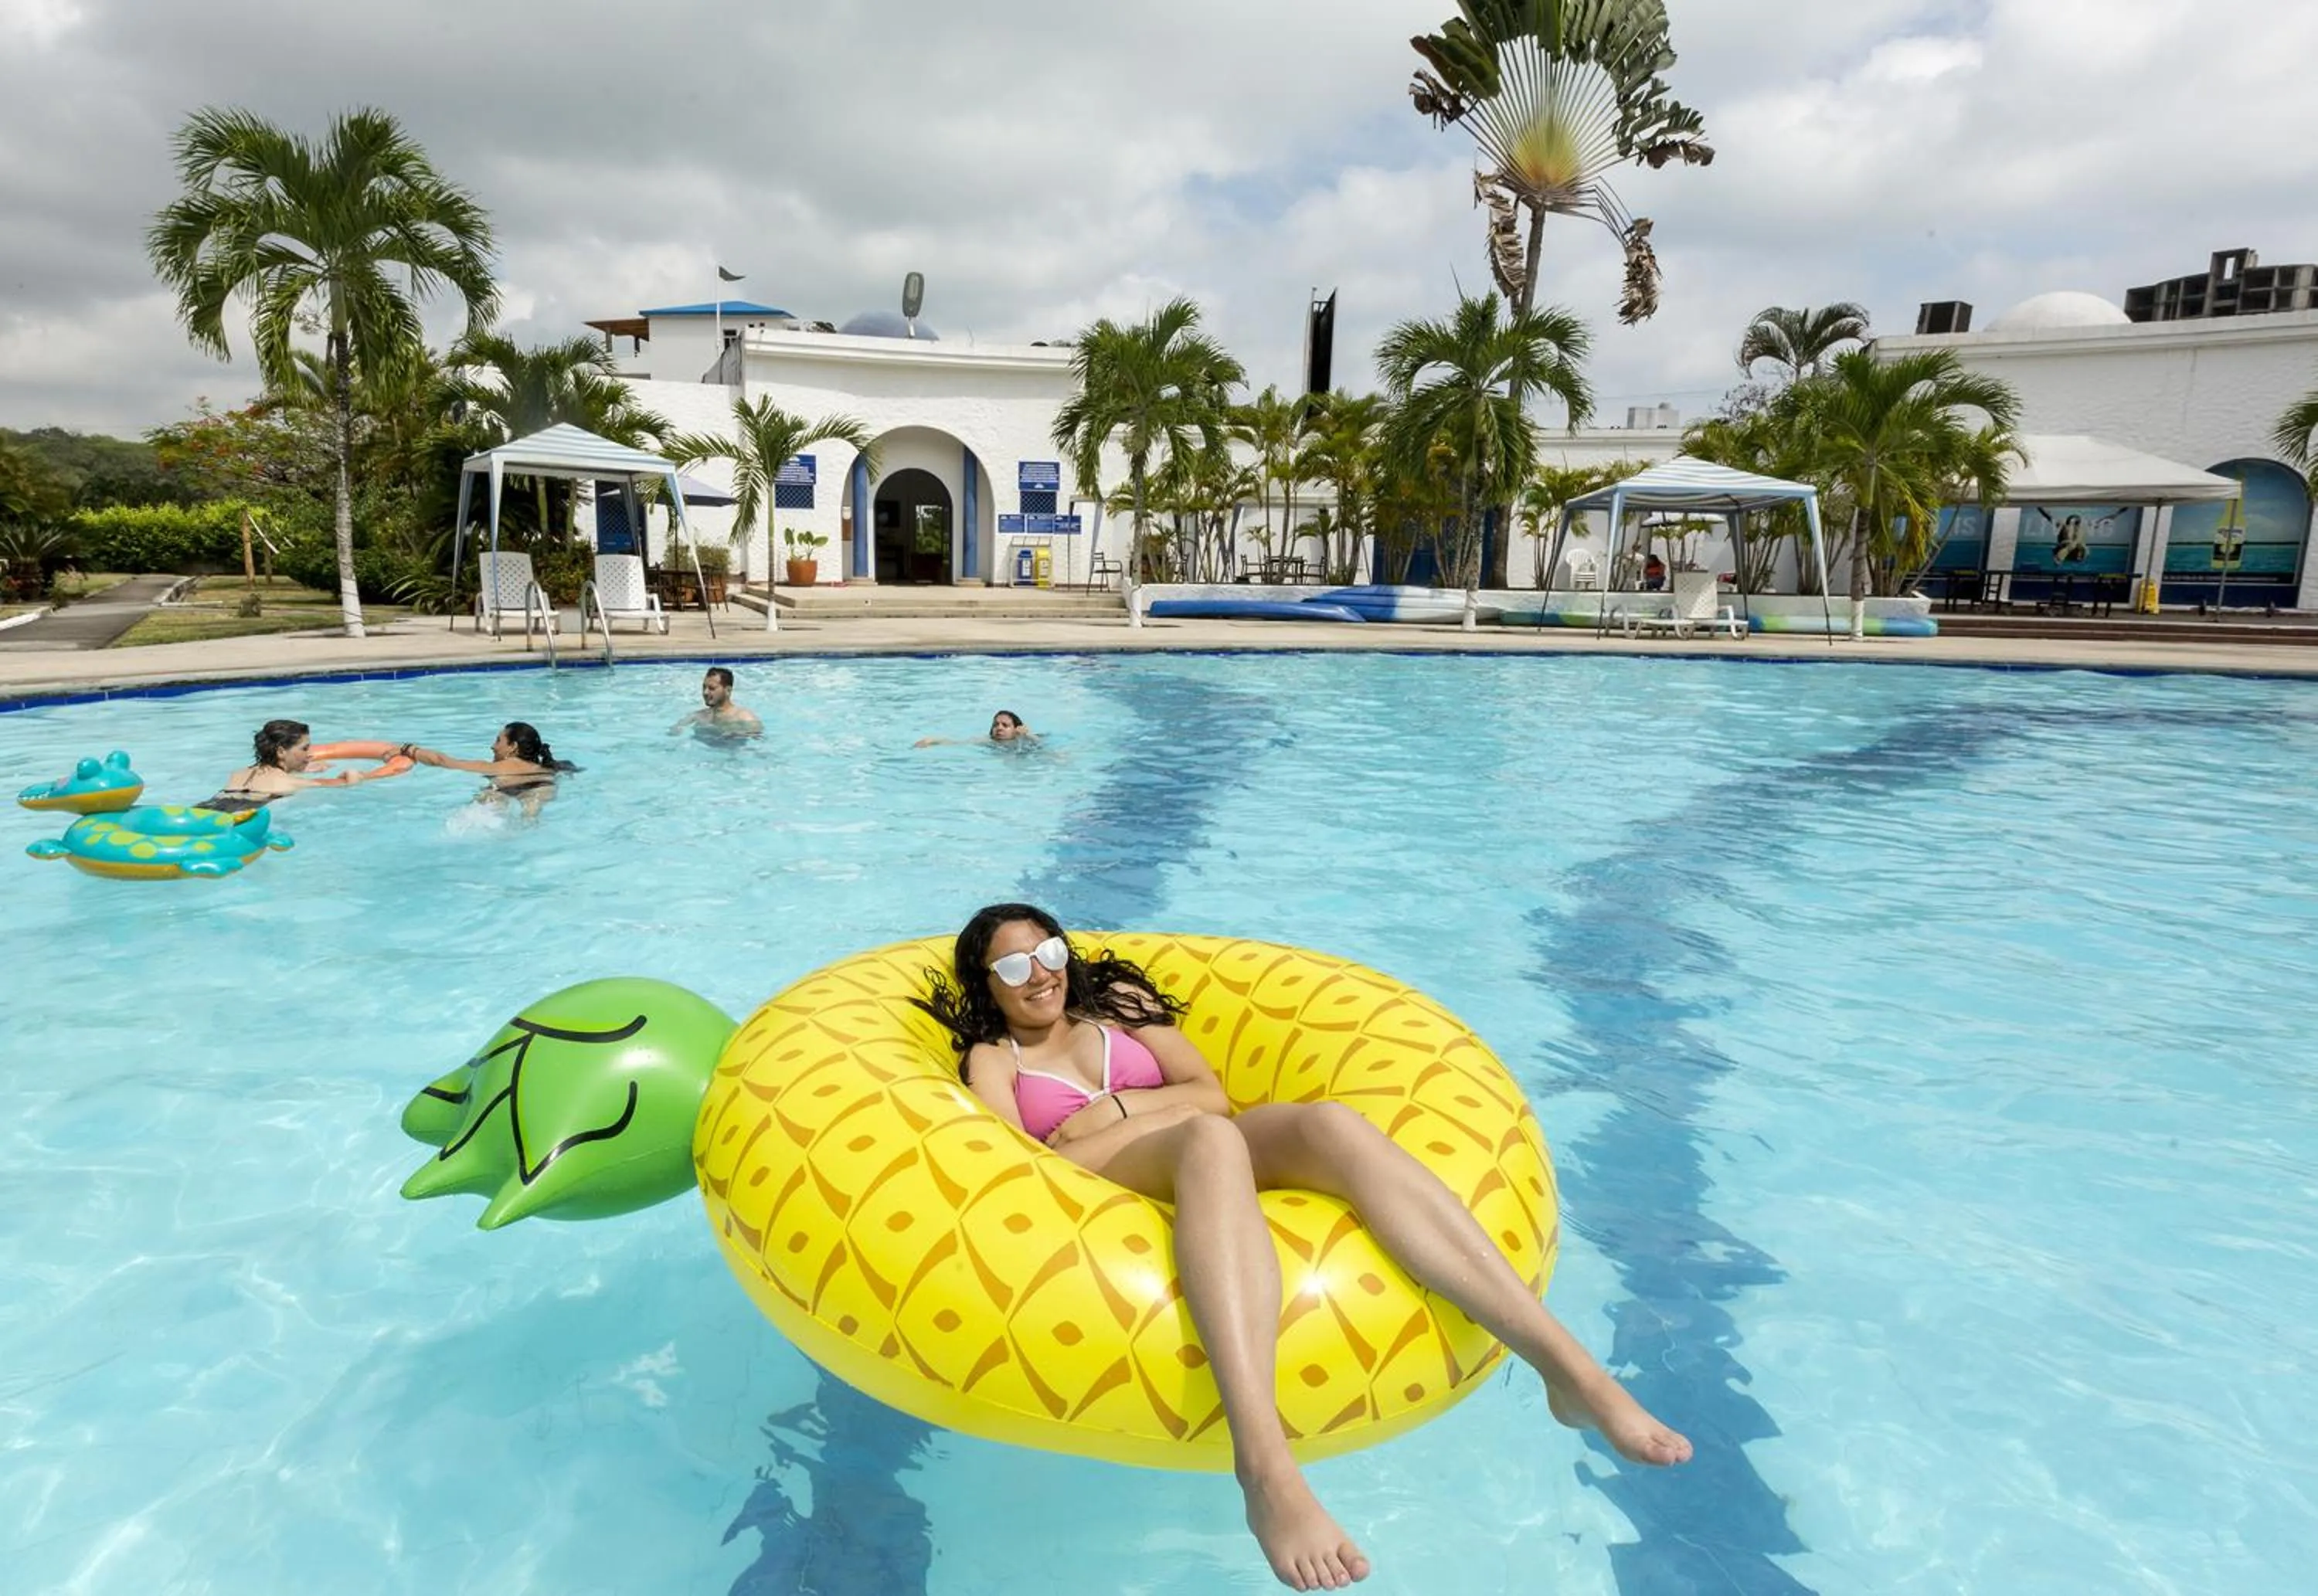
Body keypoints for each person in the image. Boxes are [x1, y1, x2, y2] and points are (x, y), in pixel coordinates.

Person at [923, 905, 1691, 1593]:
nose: (1043, 974)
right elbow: (1033, 1164)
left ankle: (1570, 1370)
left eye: (1050, 951)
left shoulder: (1117, 1008)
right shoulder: (996, 1059)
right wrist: (1137, 1126)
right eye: (1016, 966)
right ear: (988, 983)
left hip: (1193, 1142)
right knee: (1206, 1139)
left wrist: (1112, 1110)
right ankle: (1263, 1465)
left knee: (1331, 1124)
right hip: (1119, 1183)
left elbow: (1211, 1091)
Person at [202, 719, 387, 813]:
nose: (310, 754)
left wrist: (302, 768)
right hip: (238, 820)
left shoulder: (238, 774)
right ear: (281, 752)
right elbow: (347, 782)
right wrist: (355, 777)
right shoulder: (292, 784)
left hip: (207, 808)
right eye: (305, 749)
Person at [399, 722, 575, 817]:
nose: (492, 746)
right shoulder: (548, 769)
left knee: (489, 798)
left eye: (498, 741)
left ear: (513, 747)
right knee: (530, 819)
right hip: (543, 785)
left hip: (503, 789)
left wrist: (409, 749)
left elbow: (441, 761)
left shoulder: (495, 768)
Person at [671, 667, 763, 740]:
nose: (705, 692)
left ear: (728, 690)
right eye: (704, 687)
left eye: (712, 688)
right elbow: (674, 731)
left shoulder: (744, 717)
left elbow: (758, 738)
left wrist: (736, 735)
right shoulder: (698, 716)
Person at [914, 710, 1038, 749]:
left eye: (1005, 725)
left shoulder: (1025, 741)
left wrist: (1027, 735)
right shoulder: (988, 742)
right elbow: (959, 743)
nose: (999, 728)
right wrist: (932, 741)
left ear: (1016, 729)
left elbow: (1041, 748)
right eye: (996, 724)